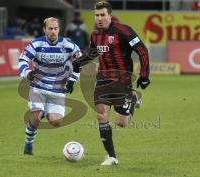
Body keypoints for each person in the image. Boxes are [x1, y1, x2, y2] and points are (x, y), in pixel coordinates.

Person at [74, 1, 150, 165]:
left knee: (121, 123)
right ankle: (111, 157)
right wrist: (77, 62)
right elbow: (92, 53)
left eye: (102, 15)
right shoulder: (95, 35)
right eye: (96, 15)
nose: (99, 18)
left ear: (109, 15)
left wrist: (144, 74)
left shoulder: (123, 31)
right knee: (101, 114)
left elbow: (142, 50)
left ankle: (134, 97)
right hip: (103, 79)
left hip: (122, 79)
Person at [18, 17, 82, 155]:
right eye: (50, 29)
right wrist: (27, 73)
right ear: (44, 29)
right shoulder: (36, 44)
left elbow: (79, 61)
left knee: (56, 121)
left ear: (59, 29)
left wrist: (72, 80)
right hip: (38, 87)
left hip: (58, 89)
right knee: (35, 117)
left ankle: (45, 111)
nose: (53, 31)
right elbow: (23, 59)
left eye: (55, 28)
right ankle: (28, 143)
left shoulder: (68, 45)